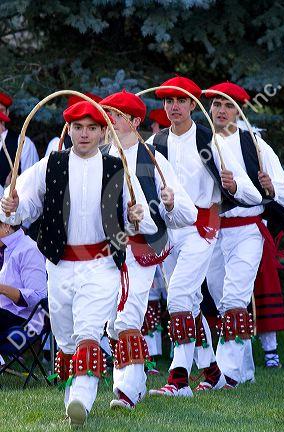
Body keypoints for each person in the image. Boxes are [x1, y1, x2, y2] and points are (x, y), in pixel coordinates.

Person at [0, 100, 157, 427]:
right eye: (78, 127)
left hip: (101, 265)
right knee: (67, 338)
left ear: (103, 132)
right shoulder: (50, 165)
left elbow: (139, 213)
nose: (84, 134)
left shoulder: (116, 167)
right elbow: (23, 205)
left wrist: (133, 218)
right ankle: (75, 393)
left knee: (88, 330)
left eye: (91, 128)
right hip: (59, 266)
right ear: (69, 130)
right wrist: (12, 206)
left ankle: (82, 400)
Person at [147, 76, 263, 397]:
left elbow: (249, 189)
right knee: (192, 302)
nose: (173, 107)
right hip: (172, 230)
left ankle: (179, 380)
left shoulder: (210, 140)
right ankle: (213, 371)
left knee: (179, 297)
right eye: (168, 101)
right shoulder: (157, 144)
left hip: (204, 226)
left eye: (180, 101)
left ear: (192, 104)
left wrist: (234, 185)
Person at [99, 90, 197, 409]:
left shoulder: (153, 157)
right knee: (113, 318)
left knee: (129, 311)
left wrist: (169, 204)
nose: (109, 119)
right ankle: (138, 381)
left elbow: (187, 213)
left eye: (116, 114)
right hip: (106, 248)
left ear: (135, 121)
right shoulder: (97, 155)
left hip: (142, 247)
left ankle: (125, 389)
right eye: (108, 113)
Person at [204, 81, 284, 385]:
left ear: (239, 109)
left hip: (247, 230)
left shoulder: (254, 143)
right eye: (216, 104)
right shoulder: (202, 143)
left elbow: (283, 191)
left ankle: (226, 374)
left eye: (228, 105)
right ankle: (245, 373)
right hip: (213, 233)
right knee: (220, 300)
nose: (222, 110)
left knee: (235, 299)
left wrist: (268, 188)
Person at [0, 219, 47, 333]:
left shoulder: (29, 249)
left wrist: (2, 289)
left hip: (22, 322)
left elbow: (39, 299)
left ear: (6, 225)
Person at [0, 91, 39, 199]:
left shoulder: (23, 143)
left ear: (7, 113)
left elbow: (31, 186)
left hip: (8, 212)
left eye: (1, 111)